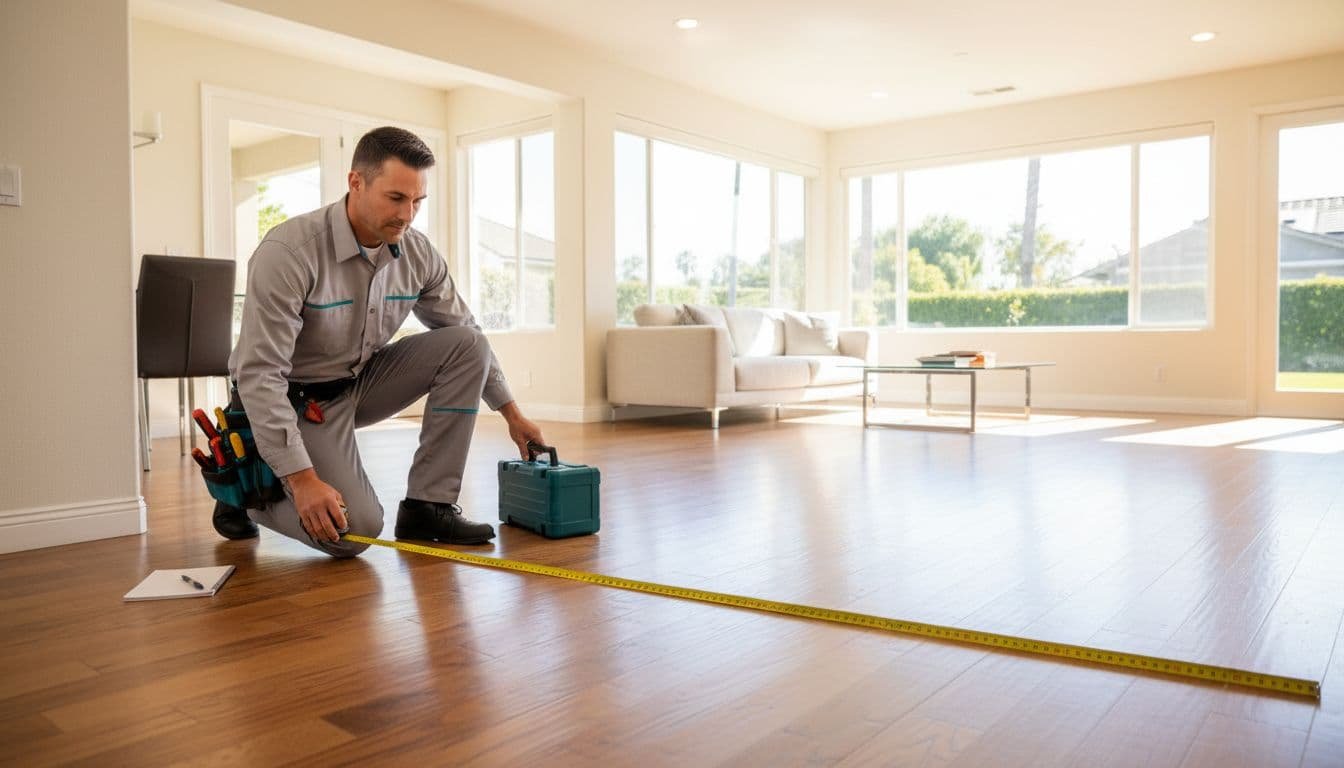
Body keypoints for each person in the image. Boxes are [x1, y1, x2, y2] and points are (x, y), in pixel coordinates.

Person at [221, 126, 545, 558]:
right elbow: (261, 375)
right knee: (355, 531)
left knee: (466, 344)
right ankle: (241, 490)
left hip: (356, 383)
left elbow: (467, 332)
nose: (408, 214)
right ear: (356, 182)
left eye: (417, 201)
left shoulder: (417, 253)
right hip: (293, 399)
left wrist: (513, 414)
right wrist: (300, 480)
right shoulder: (289, 252)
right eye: (396, 198)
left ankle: (429, 506)